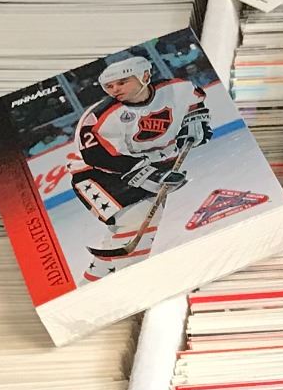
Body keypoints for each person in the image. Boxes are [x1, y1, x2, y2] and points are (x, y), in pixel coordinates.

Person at [68, 53, 212, 280]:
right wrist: (149, 174)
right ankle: (131, 279)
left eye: (122, 82)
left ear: (145, 76)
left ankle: (94, 280)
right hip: (94, 174)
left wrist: (195, 119)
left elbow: (194, 100)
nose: (115, 89)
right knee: (136, 220)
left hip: (148, 164)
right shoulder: (99, 118)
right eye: (109, 86)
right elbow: (97, 157)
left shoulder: (177, 88)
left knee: (132, 228)